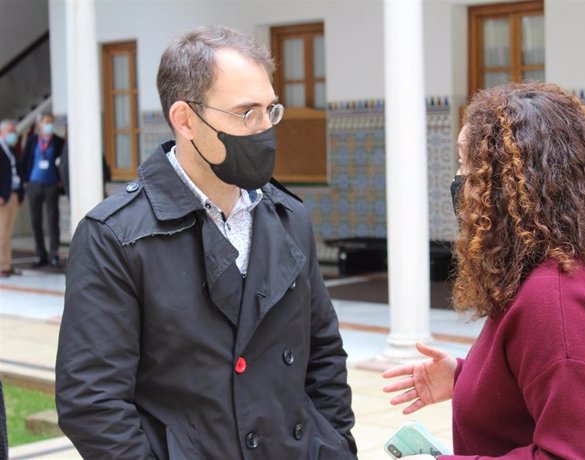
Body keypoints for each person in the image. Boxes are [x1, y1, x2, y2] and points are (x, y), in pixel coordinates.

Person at [55, 25, 357, 460]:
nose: (262, 129)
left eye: (270, 110)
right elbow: (92, 402)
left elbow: (324, 356)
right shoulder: (115, 237)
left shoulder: (290, 217)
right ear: (185, 119)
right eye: (245, 113)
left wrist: (334, 449)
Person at [383, 82, 585, 459]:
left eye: (467, 162)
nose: (459, 178)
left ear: (507, 182)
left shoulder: (555, 302)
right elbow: (554, 388)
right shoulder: (574, 269)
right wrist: (467, 379)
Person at [22, 113, 65, 267]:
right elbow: (25, 160)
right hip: (34, 184)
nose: (49, 125)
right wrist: (25, 180)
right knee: (36, 221)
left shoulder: (59, 141)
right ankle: (41, 254)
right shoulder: (33, 140)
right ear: (40, 124)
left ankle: (54, 253)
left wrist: (61, 182)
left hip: (52, 185)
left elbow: (63, 162)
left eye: (51, 122)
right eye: (46, 122)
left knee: (53, 219)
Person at [0, 119, 24, 277]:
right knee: (1, 233)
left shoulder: (11, 149)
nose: (13, 135)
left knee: (8, 233)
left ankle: (6, 265)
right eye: (10, 131)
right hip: (3, 196)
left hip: (13, 194)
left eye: (14, 131)